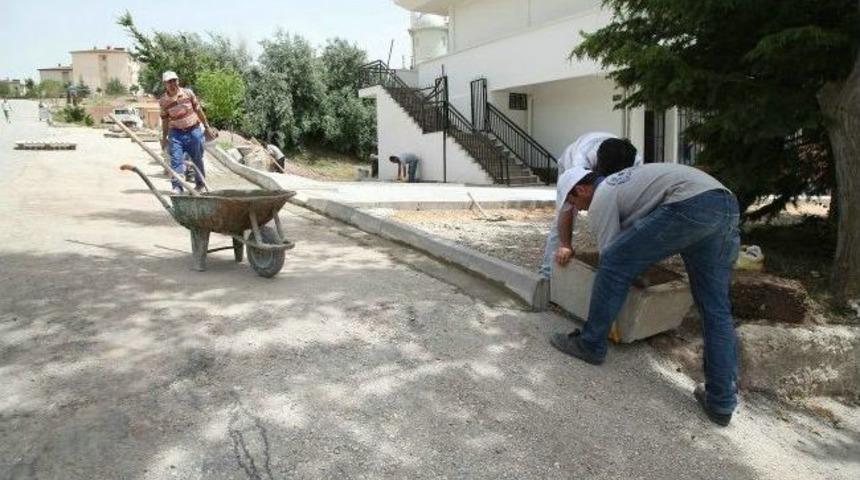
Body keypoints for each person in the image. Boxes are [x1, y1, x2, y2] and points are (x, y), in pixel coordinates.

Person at [549, 163, 741, 426]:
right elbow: (641, 238)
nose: (578, 210)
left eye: (573, 203)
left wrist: (617, 290)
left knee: (613, 263)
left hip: (691, 203)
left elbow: (611, 256)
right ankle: (721, 403)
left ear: (581, 190)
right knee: (715, 308)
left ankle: (590, 344)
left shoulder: (602, 196)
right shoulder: (621, 184)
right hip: (725, 204)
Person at [538, 133, 641, 278]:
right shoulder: (578, 163)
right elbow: (568, 208)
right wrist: (565, 244)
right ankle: (547, 273)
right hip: (571, 162)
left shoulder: (635, 162)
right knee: (565, 210)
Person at [158, 71, 214, 193]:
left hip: (193, 131)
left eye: (174, 80)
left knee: (197, 158)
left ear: (178, 81)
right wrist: (164, 137)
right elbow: (165, 121)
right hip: (175, 134)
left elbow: (199, 111)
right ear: (165, 84)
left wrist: (207, 126)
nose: (172, 84)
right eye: (169, 82)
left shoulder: (188, 93)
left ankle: (200, 184)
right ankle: (177, 187)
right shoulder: (163, 101)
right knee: (176, 160)